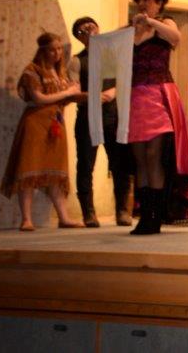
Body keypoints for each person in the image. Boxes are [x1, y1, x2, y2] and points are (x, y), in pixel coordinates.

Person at [128, 0, 188, 235]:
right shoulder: (130, 30)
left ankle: (155, 217)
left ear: (159, 3)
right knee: (140, 159)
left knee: (154, 156)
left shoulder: (166, 23)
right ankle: (145, 215)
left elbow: (176, 38)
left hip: (158, 96)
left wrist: (149, 22)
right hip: (135, 98)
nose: (143, 3)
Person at [0, 32, 83, 231]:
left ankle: (64, 217)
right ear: (43, 51)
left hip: (56, 123)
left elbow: (63, 98)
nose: (57, 53)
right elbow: (38, 98)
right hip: (35, 123)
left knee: (56, 171)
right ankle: (26, 219)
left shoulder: (60, 73)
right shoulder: (32, 70)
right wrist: (68, 92)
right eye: (52, 49)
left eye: (59, 49)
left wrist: (84, 95)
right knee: (29, 169)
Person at [69, 16, 134, 227]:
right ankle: (88, 213)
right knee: (85, 164)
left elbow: (126, 79)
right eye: (83, 30)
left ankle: (122, 211)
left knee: (120, 164)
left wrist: (113, 91)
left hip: (114, 116)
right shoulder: (77, 60)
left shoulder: (112, 55)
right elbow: (73, 92)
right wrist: (95, 96)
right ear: (79, 38)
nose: (89, 31)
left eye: (92, 26)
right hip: (87, 117)